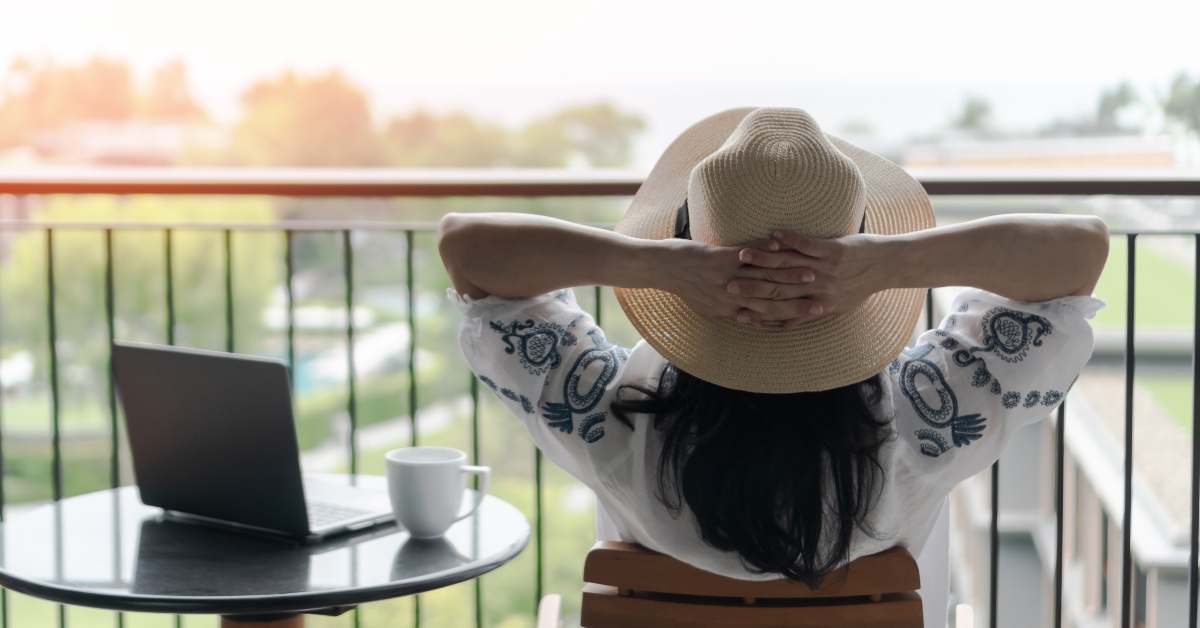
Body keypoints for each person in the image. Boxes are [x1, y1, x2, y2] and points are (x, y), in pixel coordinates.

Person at [438, 108, 1108, 627]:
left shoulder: (608, 421)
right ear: (854, 262)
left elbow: (466, 248)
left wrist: (656, 265)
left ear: (686, 242)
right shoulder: (927, 423)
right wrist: (889, 262)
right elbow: (1080, 251)